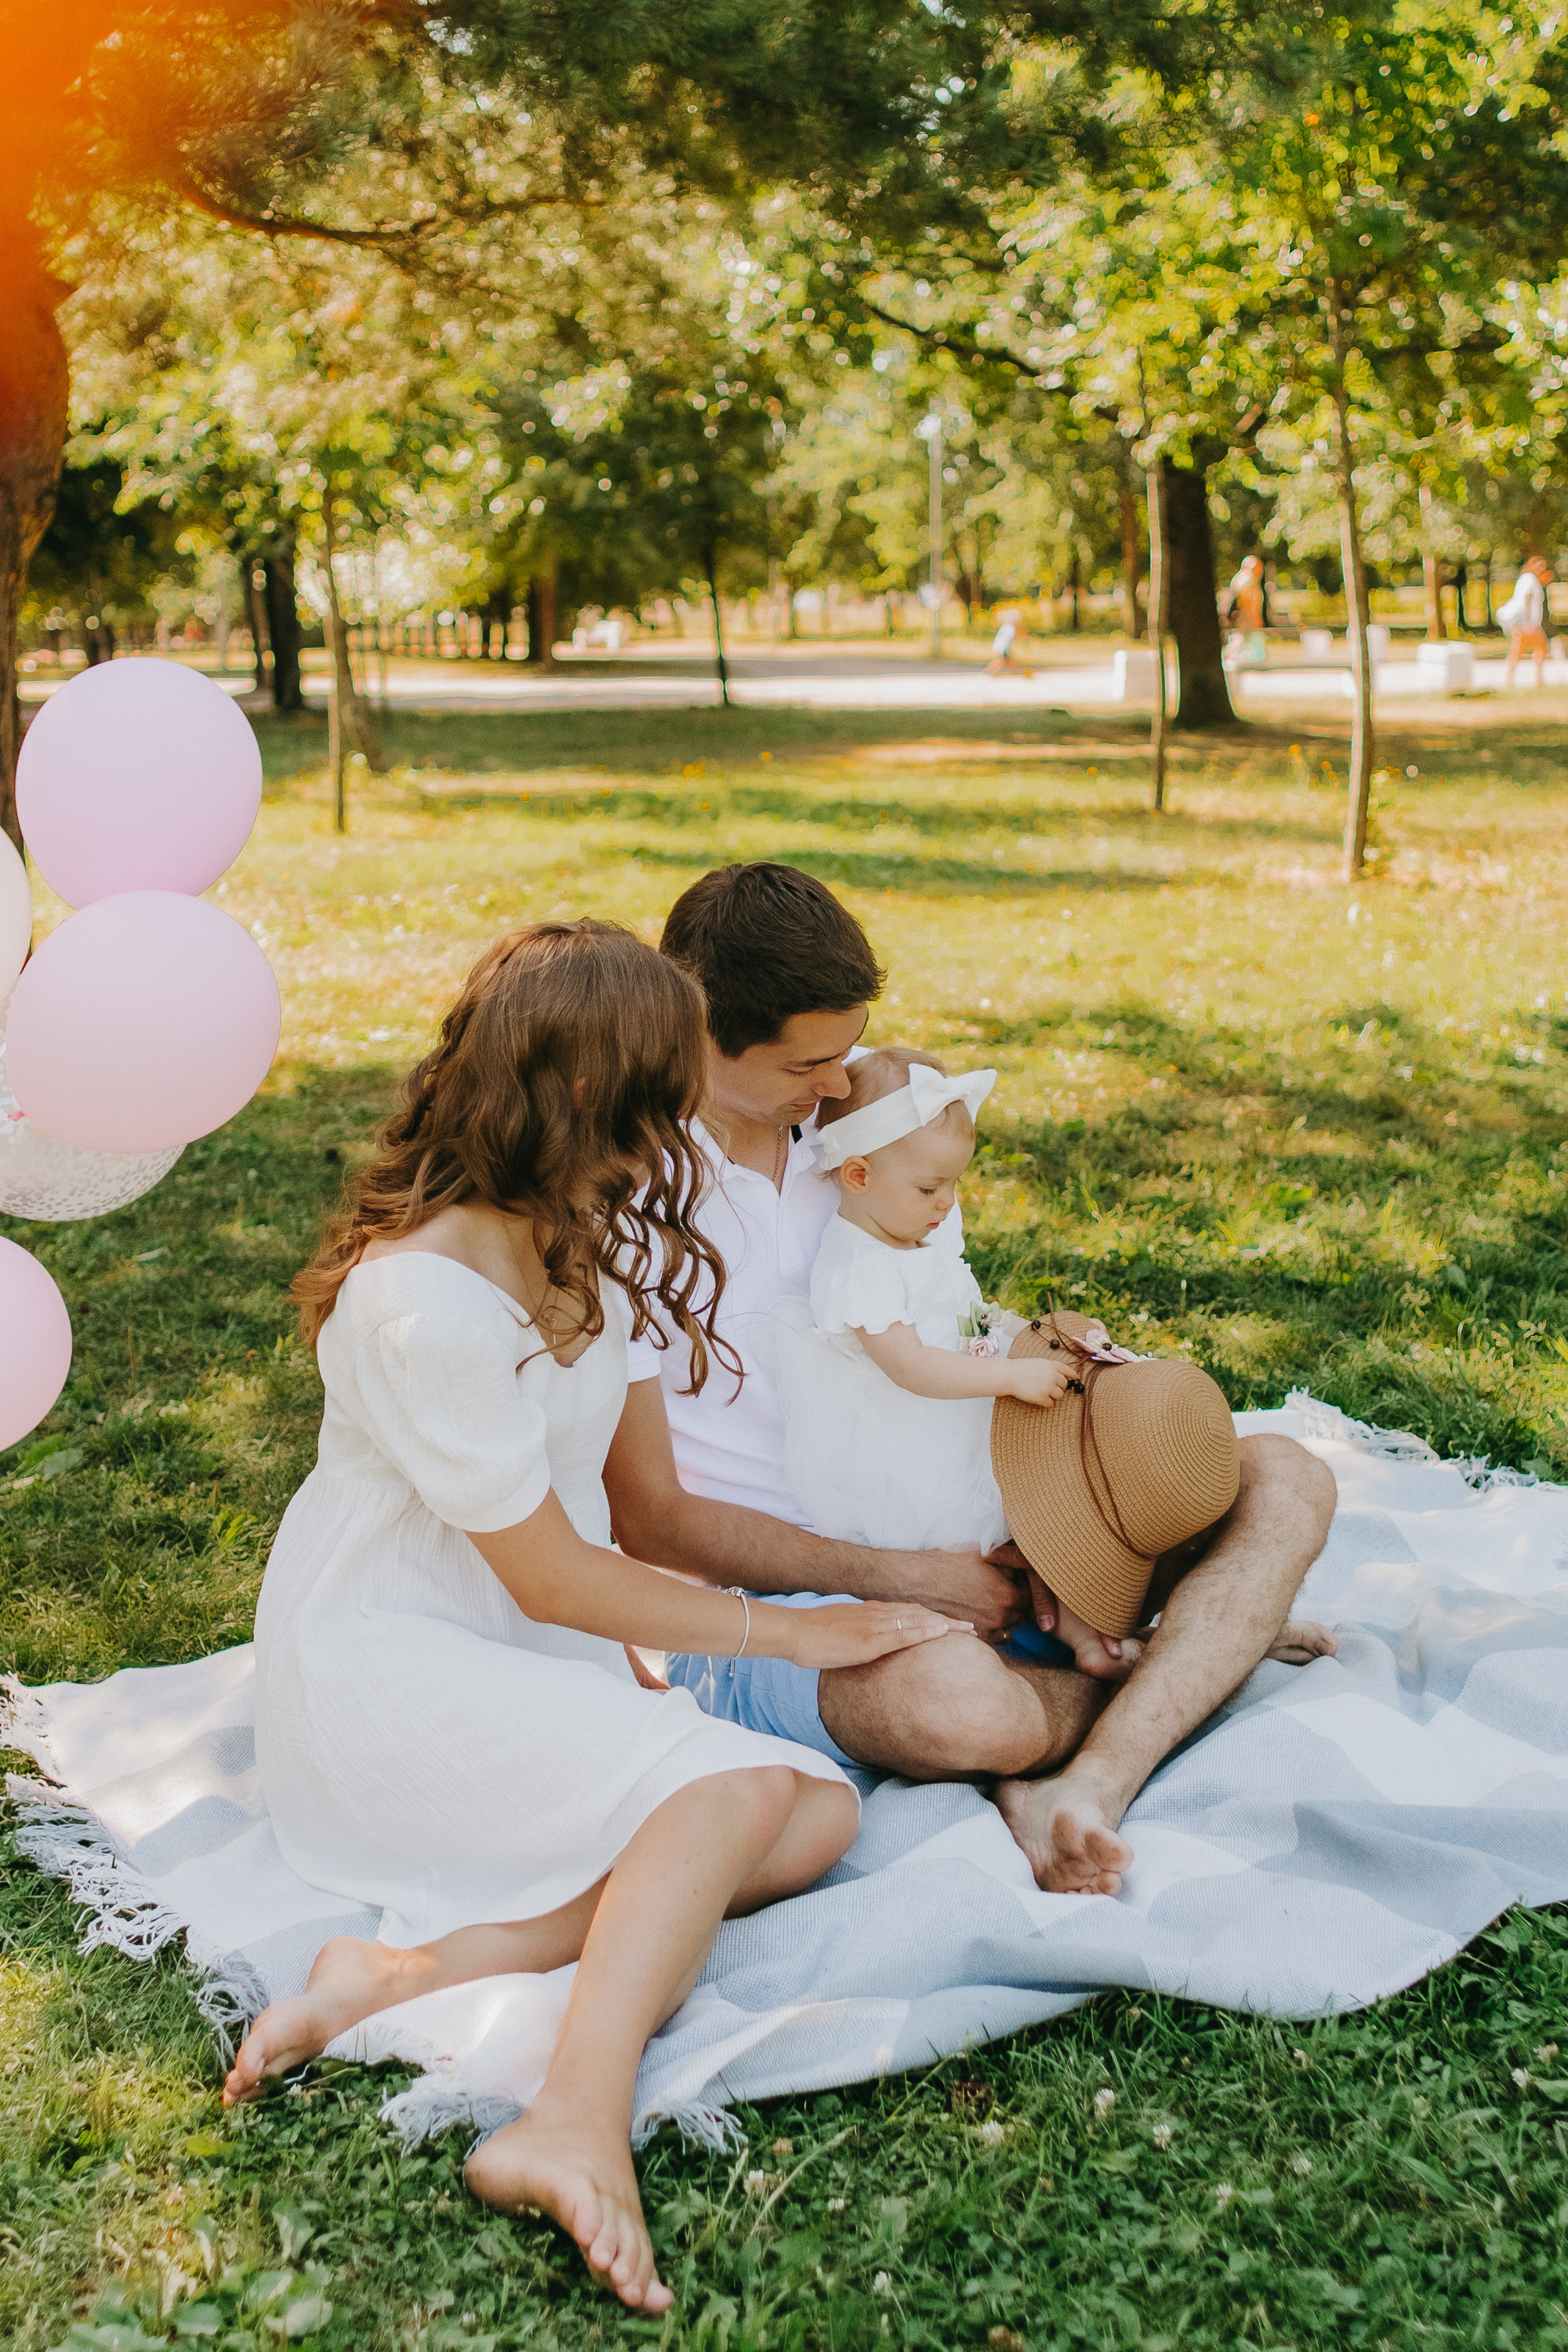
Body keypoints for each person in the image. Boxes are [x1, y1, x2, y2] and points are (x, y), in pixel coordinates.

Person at [223, 920, 970, 2312]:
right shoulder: (417, 1308)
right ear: (582, 1101)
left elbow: (641, 1511)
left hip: (513, 1652)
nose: (679, 1125)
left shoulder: (582, 1246)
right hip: (383, 1675)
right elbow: (555, 1575)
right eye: (655, 1096)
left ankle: (406, 1968)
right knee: (740, 1790)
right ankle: (575, 2111)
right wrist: (802, 1633)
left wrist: (858, 1578)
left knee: (815, 1813)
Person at [602, 862, 1339, 1901]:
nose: (835, 1085)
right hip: (773, 1604)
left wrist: (1041, 1357)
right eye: (804, 1065)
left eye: (843, 1050)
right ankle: (1202, 1659)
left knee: (1285, 1478)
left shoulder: (880, 1109)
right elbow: (650, 1520)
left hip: (979, 1520)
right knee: (963, 1710)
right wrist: (913, 1581)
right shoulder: (619, 1199)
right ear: (693, 1030)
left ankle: (1092, 1778)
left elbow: (940, 1312)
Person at [775, 1046, 1137, 1680]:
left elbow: (966, 1312)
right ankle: (1010, 1649)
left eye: (954, 1184)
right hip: (908, 1449)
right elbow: (910, 1365)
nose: (948, 1204)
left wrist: (1034, 1334)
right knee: (981, 1545)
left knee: (1054, 1516)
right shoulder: (859, 1266)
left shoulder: (918, 1235)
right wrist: (1010, 1375)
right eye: (930, 1187)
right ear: (858, 1176)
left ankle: (1088, 1625)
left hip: (961, 1416)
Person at [1501, 556, 1554, 688]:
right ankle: (1538, 680)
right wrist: (1527, 623)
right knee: (1542, 648)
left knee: (1518, 652)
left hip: (1526, 625)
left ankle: (1509, 680)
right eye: (1539, 565)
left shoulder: (1526, 579)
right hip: (1529, 625)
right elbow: (1526, 600)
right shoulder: (1531, 580)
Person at [987, 606, 1033, 676]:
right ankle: (993, 670)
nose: (1019, 623)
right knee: (1002, 661)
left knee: (1008, 659)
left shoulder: (1008, 627)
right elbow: (1015, 635)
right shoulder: (1009, 627)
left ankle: (1015, 670)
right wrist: (1024, 634)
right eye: (1018, 621)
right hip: (1002, 647)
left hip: (1003, 647)